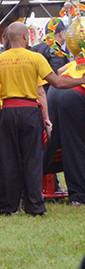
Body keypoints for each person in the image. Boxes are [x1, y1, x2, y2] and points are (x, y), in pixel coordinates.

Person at [0, 22, 85, 216]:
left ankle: (6, 206)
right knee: (32, 159)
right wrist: (81, 80)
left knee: (7, 159)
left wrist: (0, 115)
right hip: (30, 111)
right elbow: (56, 82)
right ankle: (34, 206)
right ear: (25, 37)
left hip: (8, 110)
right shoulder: (35, 58)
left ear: (8, 38)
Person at [46, 59, 85, 205]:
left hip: (57, 89)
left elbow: (61, 70)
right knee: (76, 145)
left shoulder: (81, 57)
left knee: (48, 143)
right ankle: (79, 195)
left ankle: (27, 189)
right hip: (75, 94)